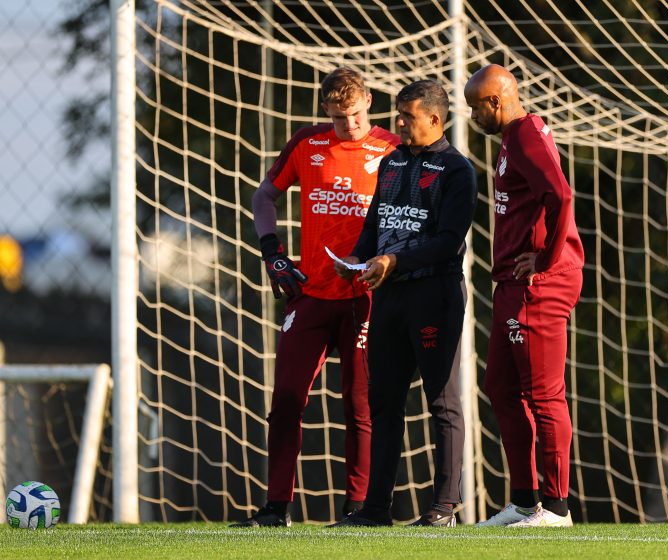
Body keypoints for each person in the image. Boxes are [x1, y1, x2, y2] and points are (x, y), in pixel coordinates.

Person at [230, 67, 399, 527]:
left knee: (359, 403)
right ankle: (275, 508)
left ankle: (357, 508)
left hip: (366, 297)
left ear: (369, 102)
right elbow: (265, 195)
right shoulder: (308, 143)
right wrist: (273, 254)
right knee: (286, 397)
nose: (351, 126)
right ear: (327, 110)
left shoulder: (392, 148)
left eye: (358, 115)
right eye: (341, 118)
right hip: (311, 294)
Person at [330, 79, 477, 528]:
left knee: (442, 402)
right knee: (383, 401)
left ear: (434, 119)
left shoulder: (458, 170)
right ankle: (375, 510)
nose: (398, 123)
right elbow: (377, 219)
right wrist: (358, 255)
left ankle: (444, 508)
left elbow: (450, 242)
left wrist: (395, 259)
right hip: (389, 296)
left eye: (407, 116)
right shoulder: (392, 160)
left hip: (433, 295)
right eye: (397, 114)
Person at [464, 64, 584, 527]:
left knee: (544, 394)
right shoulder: (513, 138)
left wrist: (547, 260)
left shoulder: (527, 133)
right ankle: (524, 500)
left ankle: (556, 508)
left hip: (538, 284)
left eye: (477, 106)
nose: (473, 115)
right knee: (501, 385)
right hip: (513, 283)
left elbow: (562, 196)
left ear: (496, 101)